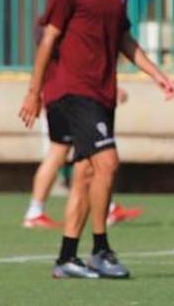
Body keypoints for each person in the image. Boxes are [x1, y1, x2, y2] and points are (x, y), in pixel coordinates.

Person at [17, 0, 174, 279]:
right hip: (71, 90)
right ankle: (101, 250)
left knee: (87, 172)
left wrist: (157, 74)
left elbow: (123, 39)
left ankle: (66, 258)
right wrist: (34, 92)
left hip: (101, 91)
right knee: (108, 162)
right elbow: (48, 39)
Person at [23, 85, 142, 229]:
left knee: (88, 152)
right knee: (61, 151)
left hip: (66, 96)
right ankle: (35, 212)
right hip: (67, 97)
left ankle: (108, 207)